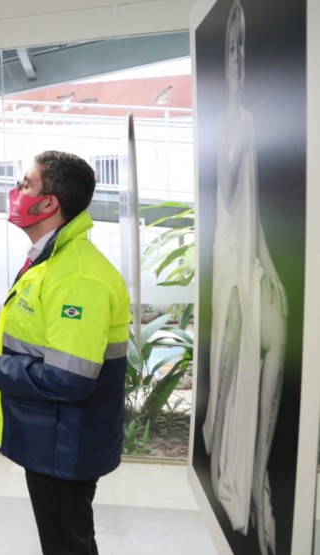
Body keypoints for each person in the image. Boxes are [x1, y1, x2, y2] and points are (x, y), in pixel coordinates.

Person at [0, 151, 130, 555]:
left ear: (48, 203)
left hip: (65, 441)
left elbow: (70, 378)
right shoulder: (50, 260)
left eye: (25, 184)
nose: (16, 191)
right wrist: (2, 349)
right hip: (51, 437)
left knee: (67, 545)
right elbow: (48, 340)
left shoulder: (76, 275)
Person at [200, 3, 287, 553]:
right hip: (223, 255)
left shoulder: (249, 120)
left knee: (276, 338)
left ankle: (259, 479)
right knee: (232, 366)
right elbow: (227, 196)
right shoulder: (224, 122)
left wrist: (271, 267)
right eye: (229, 49)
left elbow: (249, 204)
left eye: (241, 50)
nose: (236, 59)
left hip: (246, 251)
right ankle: (246, 483)